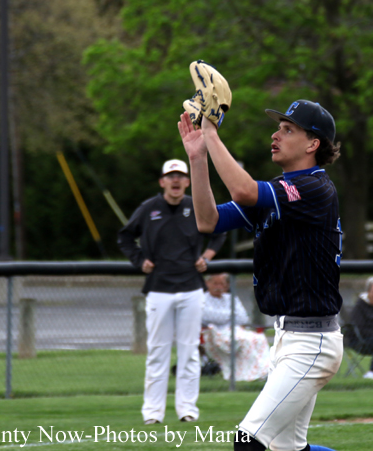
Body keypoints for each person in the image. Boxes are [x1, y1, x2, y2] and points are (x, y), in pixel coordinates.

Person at [178, 98, 343, 451]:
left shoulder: (315, 188)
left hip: (312, 343)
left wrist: (210, 132)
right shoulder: (281, 193)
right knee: (288, 449)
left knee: (247, 441)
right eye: (278, 128)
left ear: (313, 144)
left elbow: (242, 190)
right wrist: (198, 158)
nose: (275, 135)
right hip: (288, 338)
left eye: (288, 130)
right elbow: (208, 221)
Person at [117, 159, 227, 425]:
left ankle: (187, 410)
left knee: (189, 352)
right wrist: (139, 260)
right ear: (162, 181)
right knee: (157, 352)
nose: (176, 181)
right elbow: (125, 236)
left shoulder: (195, 206)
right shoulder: (149, 209)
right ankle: (152, 414)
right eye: (171, 176)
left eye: (180, 176)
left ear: (188, 181)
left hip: (191, 288)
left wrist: (208, 256)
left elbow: (218, 231)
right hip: (159, 289)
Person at [202, 273, 270, 382]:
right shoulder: (202, 299)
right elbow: (206, 316)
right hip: (215, 333)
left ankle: (264, 371)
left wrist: (222, 316)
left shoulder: (231, 298)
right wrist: (232, 314)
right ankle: (249, 375)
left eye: (222, 284)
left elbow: (243, 318)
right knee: (245, 341)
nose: (218, 287)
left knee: (259, 338)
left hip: (236, 330)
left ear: (226, 286)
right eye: (215, 283)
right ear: (207, 283)